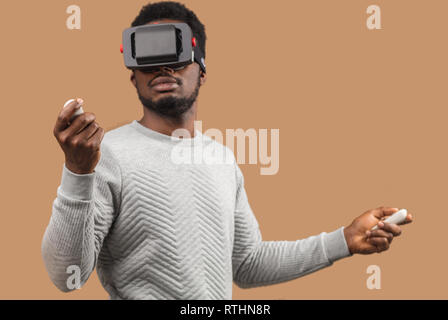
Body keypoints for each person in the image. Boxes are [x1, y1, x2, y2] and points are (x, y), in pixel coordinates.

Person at [42, 1, 413, 300]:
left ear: (201, 70)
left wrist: (343, 240)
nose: (164, 66)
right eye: (149, 57)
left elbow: (247, 265)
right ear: (133, 75)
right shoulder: (104, 156)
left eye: (176, 53)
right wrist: (78, 172)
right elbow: (66, 277)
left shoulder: (222, 160)